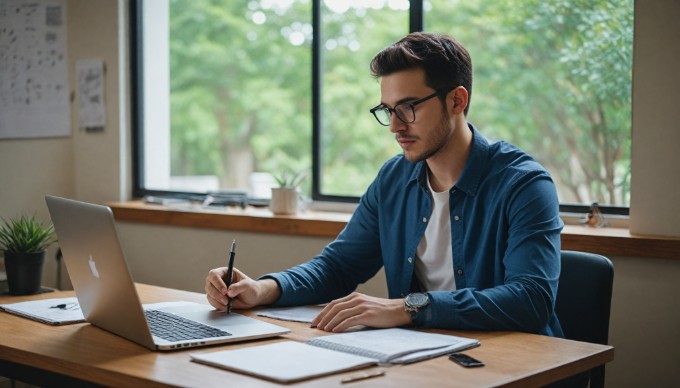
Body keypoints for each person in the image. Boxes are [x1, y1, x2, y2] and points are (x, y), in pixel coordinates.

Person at [205, 32, 564, 337]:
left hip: (517, 364)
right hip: (425, 357)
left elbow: (530, 298)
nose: (394, 126)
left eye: (408, 108)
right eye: (387, 110)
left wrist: (408, 307)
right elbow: (340, 267)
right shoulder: (394, 179)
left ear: (457, 100)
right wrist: (261, 289)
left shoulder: (524, 184)